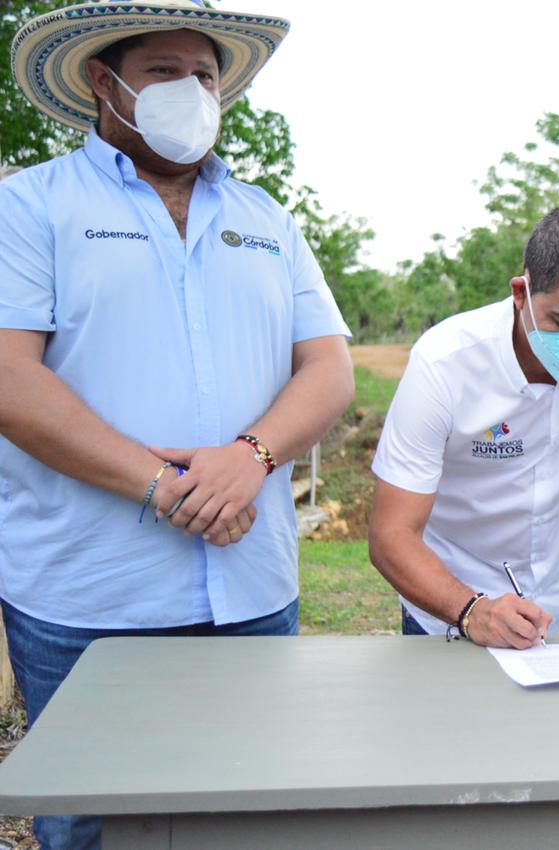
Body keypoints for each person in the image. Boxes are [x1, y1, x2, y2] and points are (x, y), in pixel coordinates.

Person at [0, 3, 353, 848]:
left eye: (205, 75)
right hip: (89, 595)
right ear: (103, 81)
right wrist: (159, 483)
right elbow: (10, 377)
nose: (192, 90)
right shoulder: (30, 206)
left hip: (253, 589)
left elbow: (329, 367)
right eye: (164, 71)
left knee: (247, 811)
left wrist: (251, 456)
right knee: (91, 822)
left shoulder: (267, 217)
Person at [368, 204, 559, 661]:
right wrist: (471, 610)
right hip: (452, 609)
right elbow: (391, 534)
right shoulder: (444, 363)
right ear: (521, 293)